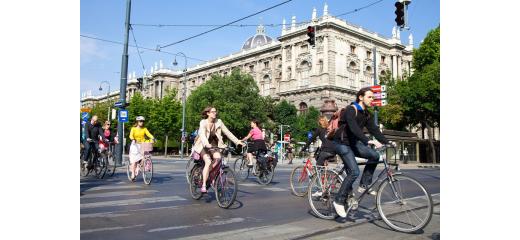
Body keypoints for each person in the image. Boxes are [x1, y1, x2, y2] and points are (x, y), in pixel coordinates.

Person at [332, 87, 394, 218]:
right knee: (354, 171)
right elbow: (353, 127)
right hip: (341, 143)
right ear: (361, 97)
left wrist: (388, 142)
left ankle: (364, 184)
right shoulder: (351, 109)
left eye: (373, 97)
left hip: (353, 144)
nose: (372, 100)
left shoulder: (367, 114)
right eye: (370, 97)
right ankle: (338, 201)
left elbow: (375, 130)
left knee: (375, 155)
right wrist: (367, 141)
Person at [192, 106, 244, 193]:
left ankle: (211, 176)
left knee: (218, 159)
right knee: (208, 161)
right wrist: (206, 144)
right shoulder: (203, 122)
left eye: (215, 111)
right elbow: (202, 134)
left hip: (213, 144)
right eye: (212, 112)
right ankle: (204, 184)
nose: (215, 113)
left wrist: (237, 141)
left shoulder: (219, 122)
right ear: (208, 113)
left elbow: (227, 132)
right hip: (203, 144)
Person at [128, 116, 155, 181]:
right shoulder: (133, 128)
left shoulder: (144, 129)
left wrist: (153, 137)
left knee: (145, 156)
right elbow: (131, 135)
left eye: (143, 121)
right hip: (135, 143)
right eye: (140, 121)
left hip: (142, 144)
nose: (142, 123)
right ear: (137, 122)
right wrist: (133, 139)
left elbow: (149, 134)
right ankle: (133, 173)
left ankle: (139, 166)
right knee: (134, 160)